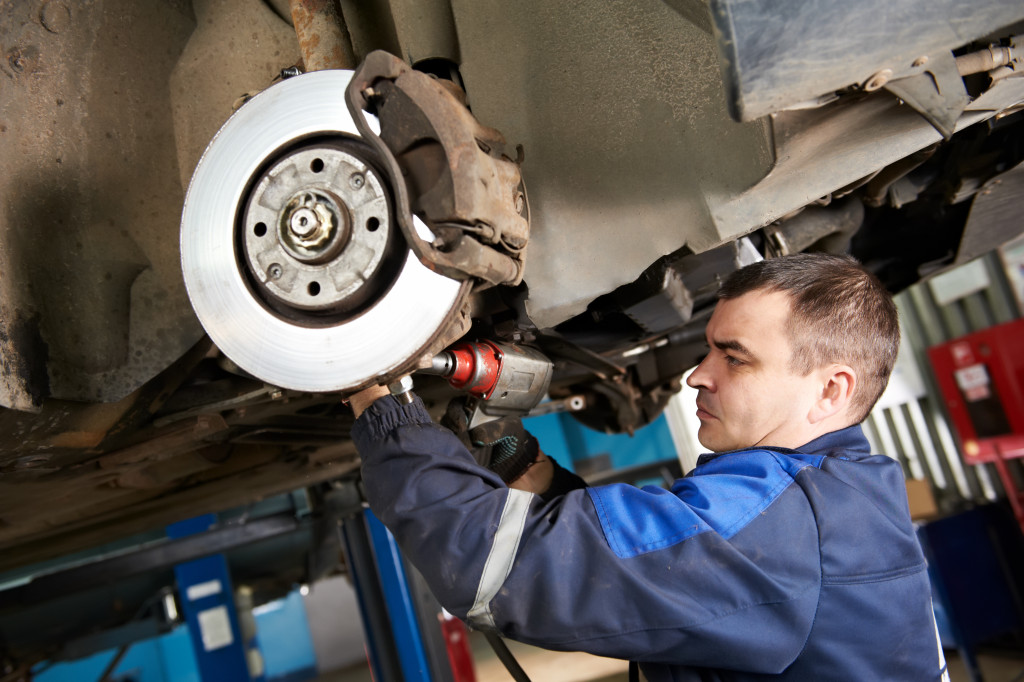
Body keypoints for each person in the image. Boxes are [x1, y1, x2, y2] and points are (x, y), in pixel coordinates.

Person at [348, 253, 948, 681]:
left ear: (830, 391)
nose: (697, 374)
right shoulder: (844, 495)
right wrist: (526, 466)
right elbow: (658, 566)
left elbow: (492, 568)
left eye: (735, 359)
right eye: (709, 347)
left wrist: (372, 399)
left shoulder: (784, 521)